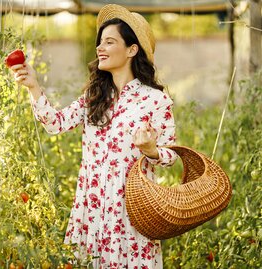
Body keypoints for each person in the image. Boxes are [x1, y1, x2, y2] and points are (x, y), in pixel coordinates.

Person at [10, 4, 177, 268]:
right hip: (93, 204)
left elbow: (172, 154)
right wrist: (34, 87)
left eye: (110, 42)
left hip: (131, 209)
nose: (100, 47)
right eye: (100, 42)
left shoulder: (155, 100)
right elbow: (56, 124)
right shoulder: (95, 96)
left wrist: (152, 150)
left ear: (132, 50)